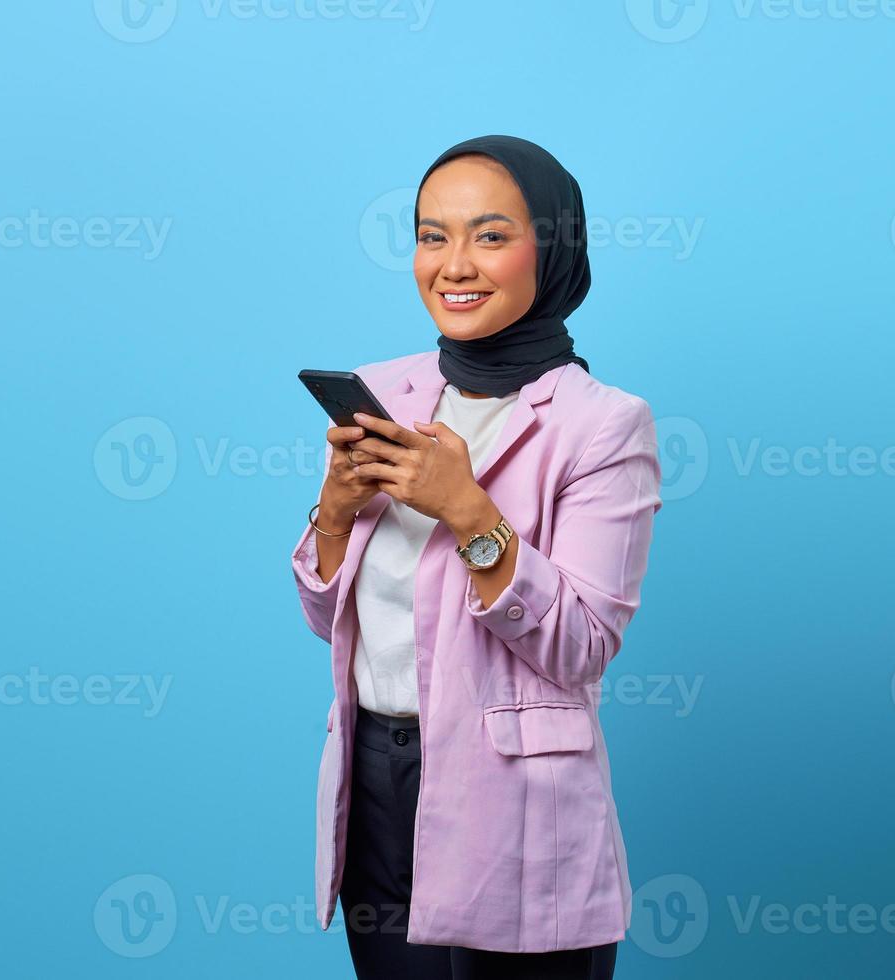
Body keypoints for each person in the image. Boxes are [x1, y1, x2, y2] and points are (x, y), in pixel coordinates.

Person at [289, 134, 662, 980]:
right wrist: (337, 512)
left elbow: (582, 646)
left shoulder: (602, 426)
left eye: (490, 236)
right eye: (431, 236)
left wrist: (467, 510)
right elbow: (331, 621)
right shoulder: (388, 391)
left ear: (553, 249)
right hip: (373, 778)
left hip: (517, 805)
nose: (454, 265)